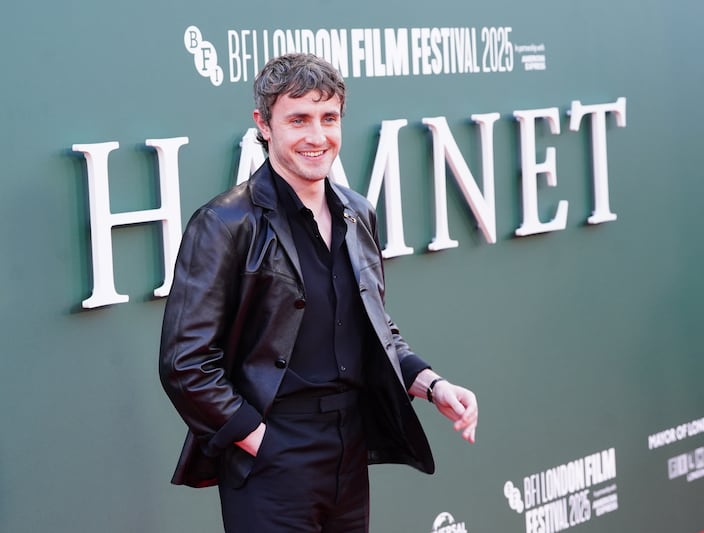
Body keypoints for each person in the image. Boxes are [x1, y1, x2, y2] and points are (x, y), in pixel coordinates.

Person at [159, 52, 478, 532]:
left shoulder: (356, 212)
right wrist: (258, 439)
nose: (317, 136)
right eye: (299, 119)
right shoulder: (224, 224)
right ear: (264, 125)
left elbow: (374, 327)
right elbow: (184, 361)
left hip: (348, 448)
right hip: (272, 454)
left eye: (329, 118)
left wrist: (431, 384)